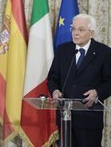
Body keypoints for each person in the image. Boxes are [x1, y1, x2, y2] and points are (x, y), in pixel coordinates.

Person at [47, 14, 111, 147]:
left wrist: (97, 92)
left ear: (91, 33)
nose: (75, 33)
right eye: (73, 29)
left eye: (81, 30)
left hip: (89, 119)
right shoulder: (63, 50)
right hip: (65, 119)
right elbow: (52, 78)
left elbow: (109, 82)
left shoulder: (104, 52)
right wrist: (55, 91)